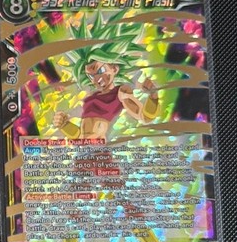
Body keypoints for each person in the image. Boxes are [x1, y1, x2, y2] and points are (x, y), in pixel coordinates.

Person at [52, 10, 159, 143]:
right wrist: (64, 125)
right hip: (85, 152)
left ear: (114, 68)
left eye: (101, 70)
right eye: (91, 76)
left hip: (98, 152)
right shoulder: (92, 98)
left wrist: (153, 97)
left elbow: (145, 117)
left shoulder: (120, 93)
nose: (97, 79)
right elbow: (81, 136)